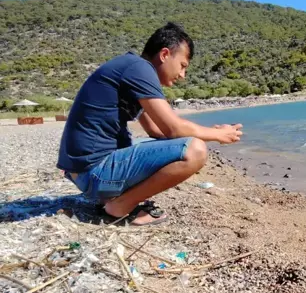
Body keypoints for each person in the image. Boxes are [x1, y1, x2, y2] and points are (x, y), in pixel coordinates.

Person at [57, 22, 243, 226]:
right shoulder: (139, 69)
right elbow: (173, 129)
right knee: (196, 150)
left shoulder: (130, 68)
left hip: (84, 173)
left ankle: (111, 198)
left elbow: (156, 131)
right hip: (94, 173)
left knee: (176, 142)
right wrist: (218, 135)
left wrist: (206, 131)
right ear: (164, 54)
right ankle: (119, 206)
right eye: (182, 65)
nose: (182, 75)